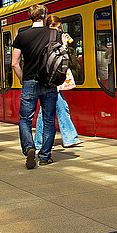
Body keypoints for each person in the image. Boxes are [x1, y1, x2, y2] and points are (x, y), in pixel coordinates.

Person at [12, 4, 60, 169]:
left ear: (30, 17)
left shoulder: (21, 36)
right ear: (45, 16)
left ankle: (29, 147)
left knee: (25, 119)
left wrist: (23, 79)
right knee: (48, 119)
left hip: (29, 82)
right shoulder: (54, 33)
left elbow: (14, 63)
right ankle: (45, 156)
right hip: (49, 82)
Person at [34, 15, 83, 150]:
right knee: (56, 109)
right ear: (51, 26)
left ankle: (44, 140)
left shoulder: (46, 39)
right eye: (58, 27)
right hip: (51, 80)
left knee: (56, 109)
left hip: (50, 80)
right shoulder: (49, 39)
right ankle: (66, 138)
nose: (59, 30)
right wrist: (64, 45)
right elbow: (57, 57)